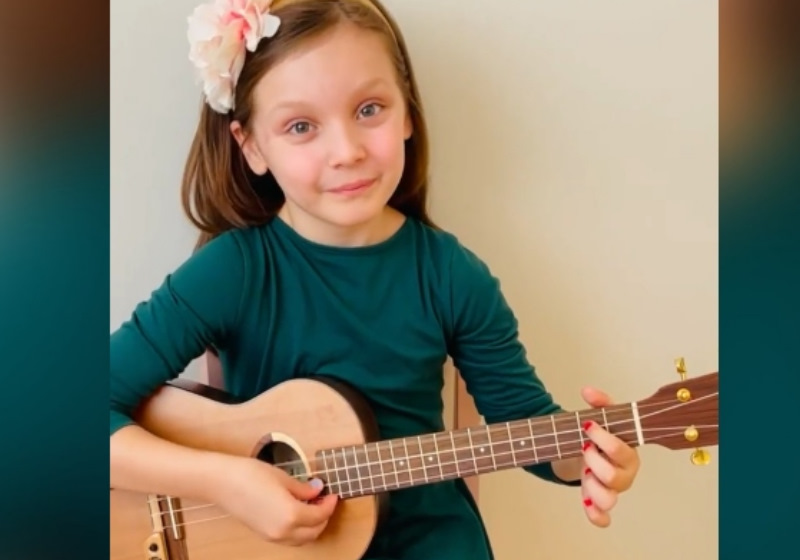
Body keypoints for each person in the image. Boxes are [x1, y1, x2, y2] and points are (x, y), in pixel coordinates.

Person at [109, 0, 641, 558]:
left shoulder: (452, 276)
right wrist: (227, 482)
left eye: (369, 109)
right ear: (253, 147)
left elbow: (527, 425)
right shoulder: (232, 272)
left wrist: (588, 456)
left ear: (407, 113)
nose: (347, 152)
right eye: (301, 126)